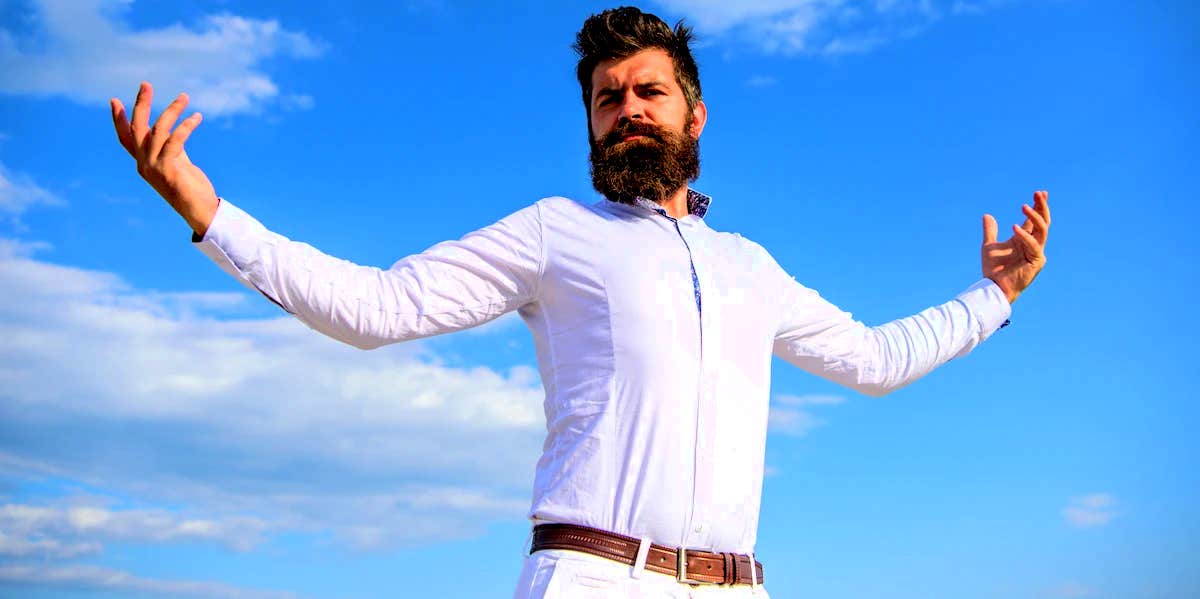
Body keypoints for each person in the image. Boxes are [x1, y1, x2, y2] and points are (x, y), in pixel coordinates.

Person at [109, 6, 1050, 598]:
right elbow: (375, 307)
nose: (628, 108)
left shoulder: (749, 268)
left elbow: (875, 361)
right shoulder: (557, 231)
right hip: (594, 576)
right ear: (592, 123)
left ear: (695, 113)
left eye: (648, 91)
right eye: (607, 99)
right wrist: (210, 212)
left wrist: (994, 294)